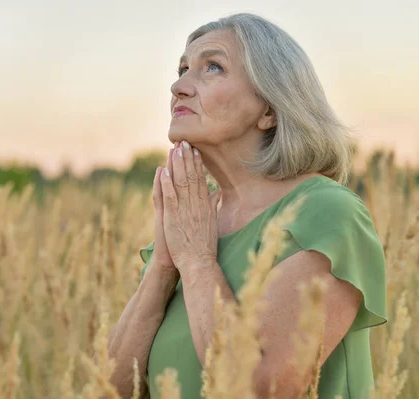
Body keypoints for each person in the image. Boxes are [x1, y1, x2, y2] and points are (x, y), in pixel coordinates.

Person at [107, 12, 387, 399]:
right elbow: (111, 389)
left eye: (213, 67)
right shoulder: (192, 223)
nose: (178, 86)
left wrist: (199, 262)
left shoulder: (326, 214)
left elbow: (256, 389)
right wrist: (164, 266)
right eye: (183, 68)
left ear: (269, 109)